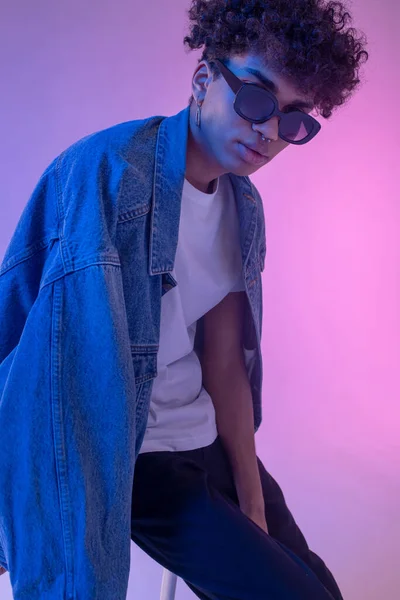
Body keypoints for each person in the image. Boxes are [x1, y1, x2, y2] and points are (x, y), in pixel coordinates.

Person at [0, 0, 368, 598]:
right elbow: (68, 379)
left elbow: (224, 366)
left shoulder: (242, 208)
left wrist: (252, 502)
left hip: (200, 440)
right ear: (203, 81)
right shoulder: (111, 175)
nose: (270, 132)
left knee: (317, 587)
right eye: (256, 100)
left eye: (295, 121)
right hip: (131, 460)